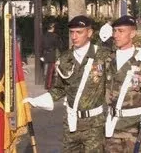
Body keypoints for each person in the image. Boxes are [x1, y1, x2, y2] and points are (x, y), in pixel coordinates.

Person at [24, 15, 111, 152]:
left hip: (95, 124)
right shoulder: (65, 58)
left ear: (89, 33)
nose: (74, 36)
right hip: (71, 123)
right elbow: (59, 88)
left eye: (79, 32)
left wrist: (135, 58)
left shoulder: (103, 55)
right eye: (72, 32)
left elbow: (118, 79)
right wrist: (38, 101)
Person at [105, 15, 141, 152]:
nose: (116, 35)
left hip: (134, 128)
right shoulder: (108, 60)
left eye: (121, 31)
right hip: (112, 127)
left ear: (133, 33)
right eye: (114, 31)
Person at [41, 22, 61, 90]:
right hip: (52, 54)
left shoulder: (43, 35)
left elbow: (41, 46)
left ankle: (46, 84)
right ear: (52, 28)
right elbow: (58, 45)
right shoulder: (55, 36)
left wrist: (41, 55)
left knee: (46, 70)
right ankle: (48, 85)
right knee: (50, 71)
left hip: (45, 54)